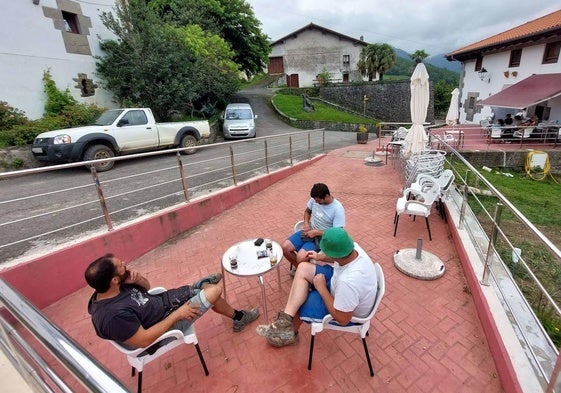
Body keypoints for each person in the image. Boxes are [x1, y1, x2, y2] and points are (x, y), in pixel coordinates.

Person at [85, 254, 259, 349]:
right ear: (113, 280)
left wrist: (137, 281)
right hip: (166, 328)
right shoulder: (113, 316)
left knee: (208, 294)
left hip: (166, 303)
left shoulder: (114, 286)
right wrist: (178, 314)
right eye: (120, 266)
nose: (124, 263)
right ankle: (204, 287)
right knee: (214, 291)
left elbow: (147, 288)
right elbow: (144, 340)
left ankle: (236, 316)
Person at [257, 228, 378, 347]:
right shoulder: (353, 248)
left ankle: (288, 336)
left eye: (325, 252)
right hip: (341, 288)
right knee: (303, 268)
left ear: (335, 255)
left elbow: (343, 319)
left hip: (347, 313)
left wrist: (322, 289)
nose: (323, 253)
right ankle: (284, 321)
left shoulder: (348, 281)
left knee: (300, 301)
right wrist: (320, 257)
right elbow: (339, 258)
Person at [282, 183, 345, 275]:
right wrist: (306, 223)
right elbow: (307, 211)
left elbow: (337, 234)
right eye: (314, 200)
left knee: (300, 257)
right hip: (309, 231)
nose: (315, 202)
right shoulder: (314, 199)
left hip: (322, 238)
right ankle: (300, 270)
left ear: (326, 196)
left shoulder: (337, 209)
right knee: (285, 247)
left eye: (318, 200)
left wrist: (317, 233)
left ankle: (305, 272)